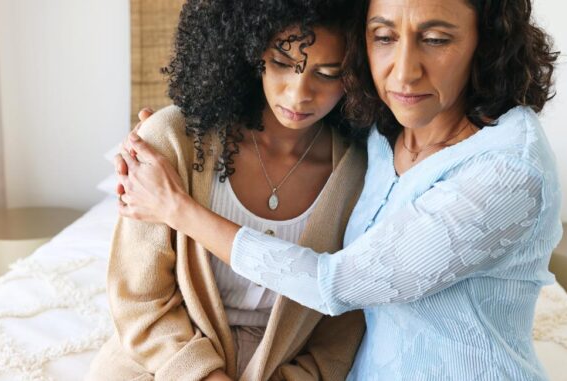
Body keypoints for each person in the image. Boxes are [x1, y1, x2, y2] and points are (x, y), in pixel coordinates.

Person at [114, 0, 562, 379]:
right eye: (384, 36)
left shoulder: (501, 169)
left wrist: (178, 209)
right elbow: (139, 300)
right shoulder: (386, 134)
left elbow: (339, 294)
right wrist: (164, 134)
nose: (403, 74)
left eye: (436, 39)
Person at [87, 0, 369, 380]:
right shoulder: (172, 140)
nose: (299, 93)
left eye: (328, 73)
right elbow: (139, 300)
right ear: (252, 53)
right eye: (282, 63)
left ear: (355, 75)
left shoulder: (360, 176)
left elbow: (342, 329)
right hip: (164, 361)